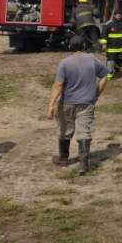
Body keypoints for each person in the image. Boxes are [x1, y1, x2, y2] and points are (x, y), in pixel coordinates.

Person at [47, 36, 109, 175]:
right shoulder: (93, 59)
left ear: (70, 46)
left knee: (64, 130)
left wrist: (51, 105)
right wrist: (97, 94)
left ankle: (63, 158)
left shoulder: (64, 63)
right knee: (84, 132)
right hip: (87, 103)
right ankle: (83, 164)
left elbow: (58, 84)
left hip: (67, 103)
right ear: (84, 46)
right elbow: (106, 75)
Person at [99, 9, 122, 80]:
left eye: (120, 15)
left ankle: (117, 67)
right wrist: (104, 44)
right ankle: (109, 75)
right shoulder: (109, 24)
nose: (118, 16)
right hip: (111, 47)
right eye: (117, 15)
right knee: (111, 61)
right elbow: (104, 35)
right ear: (114, 15)